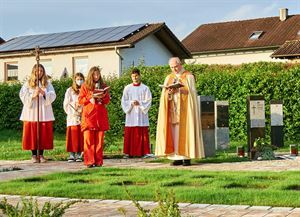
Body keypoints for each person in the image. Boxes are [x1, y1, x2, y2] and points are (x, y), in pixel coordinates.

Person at [155, 57, 205, 166]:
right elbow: (164, 95)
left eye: (176, 67)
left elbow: (191, 94)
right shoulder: (169, 77)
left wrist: (179, 89)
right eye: (172, 67)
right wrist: (169, 92)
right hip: (173, 109)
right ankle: (176, 157)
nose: (174, 69)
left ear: (180, 64)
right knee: (173, 132)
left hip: (185, 112)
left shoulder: (188, 76)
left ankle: (186, 157)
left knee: (186, 132)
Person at [19, 64, 56, 163]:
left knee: (42, 133)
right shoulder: (28, 83)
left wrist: (44, 93)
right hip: (32, 112)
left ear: (43, 72)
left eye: (41, 71)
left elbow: (53, 95)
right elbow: (22, 95)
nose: (39, 73)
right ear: (33, 71)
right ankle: (34, 155)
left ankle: (41, 154)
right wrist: (33, 95)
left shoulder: (47, 83)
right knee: (33, 133)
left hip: (43, 111)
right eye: (37, 71)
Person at [78, 66, 110, 168]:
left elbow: (107, 101)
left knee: (99, 141)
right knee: (88, 140)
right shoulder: (84, 86)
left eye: (98, 74)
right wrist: (90, 97)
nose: (96, 76)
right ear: (91, 75)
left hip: (100, 116)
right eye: (94, 74)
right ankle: (89, 162)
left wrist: (103, 97)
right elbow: (80, 100)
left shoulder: (103, 85)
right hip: (89, 116)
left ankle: (98, 162)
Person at [121, 68, 152, 158]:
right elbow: (124, 101)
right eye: (133, 76)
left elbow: (149, 100)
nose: (135, 78)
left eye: (136, 76)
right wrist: (131, 103)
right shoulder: (127, 88)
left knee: (142, 132)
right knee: (129, 132)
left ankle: (144, 152)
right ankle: (128, 153)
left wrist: (140, 103)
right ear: (131, 77)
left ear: (140, 76)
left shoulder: (145, 88)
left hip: (141, 114)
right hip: (131, 114)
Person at [63, 72, 85, 162]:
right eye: (78, 79)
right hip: (72, 116)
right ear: (75, 80)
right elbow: (66, 103)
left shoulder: (85, 89)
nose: (79, 81)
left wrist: (81, 106)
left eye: (81, 79)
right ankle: (72, 154)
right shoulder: (69, 90)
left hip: (82, 115)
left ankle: (79, 154)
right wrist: (74, 105)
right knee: (72, 134)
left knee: (81, 135)